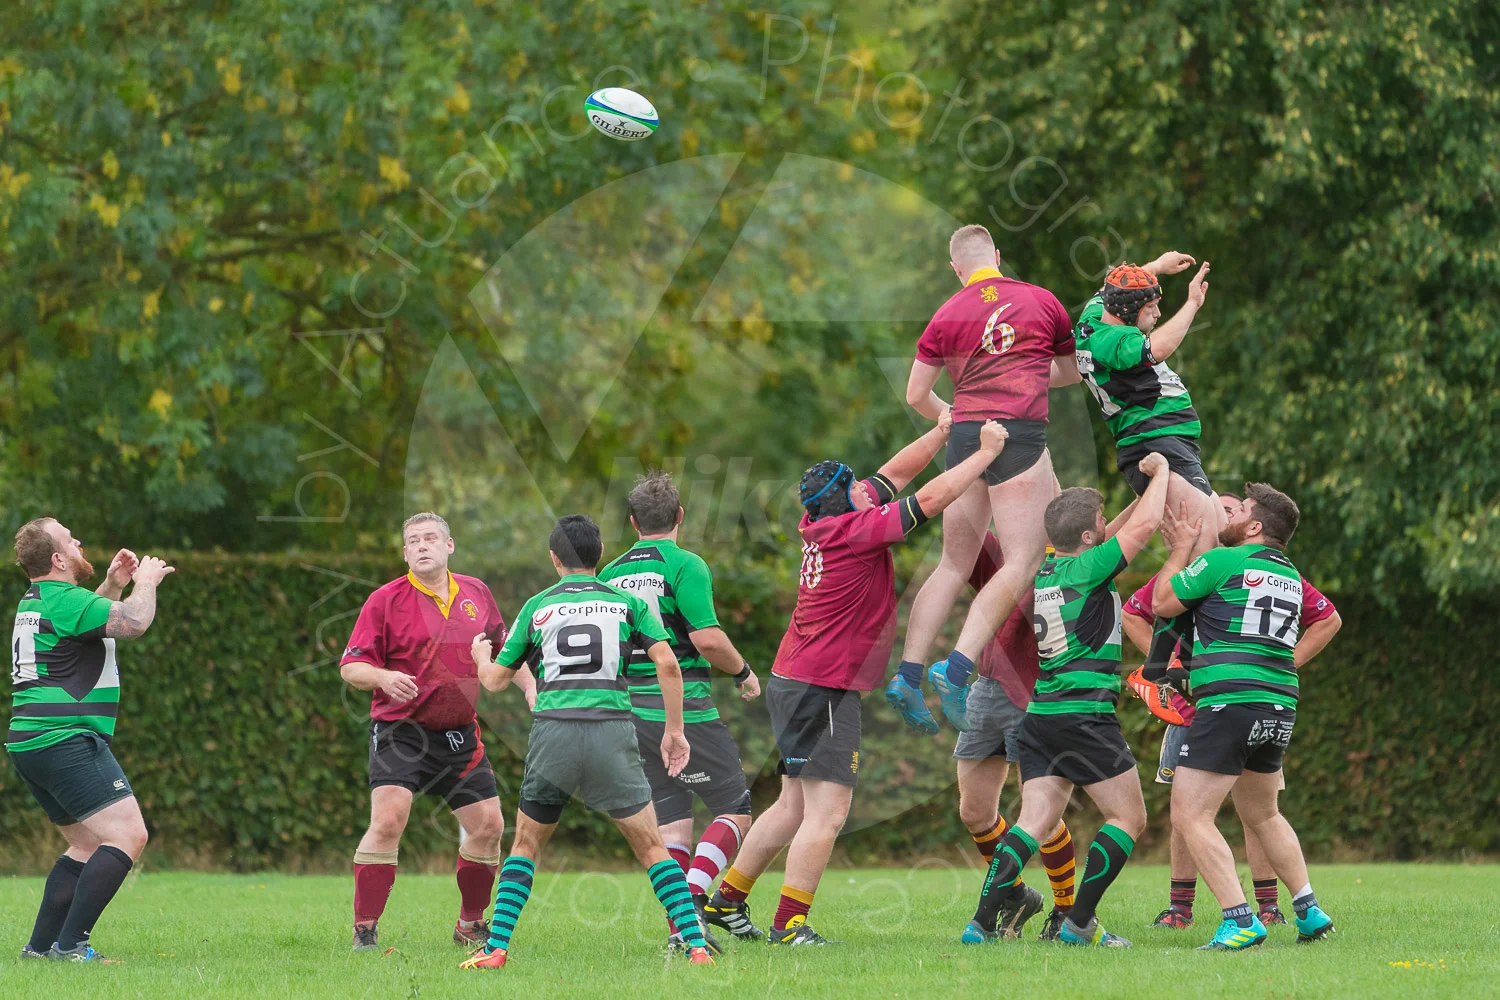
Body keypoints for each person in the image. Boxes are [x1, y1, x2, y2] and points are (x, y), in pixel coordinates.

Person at [705, 414, 1010, 946]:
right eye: (858, 487)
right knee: (828, 814)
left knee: (792, 806)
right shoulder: (858, 531)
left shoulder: (825, 518)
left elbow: (895, 474)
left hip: (793, 678)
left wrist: (941, 433)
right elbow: (929, 499)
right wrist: (984, 453)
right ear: (846, 501)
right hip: (821, 686)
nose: (870, 489)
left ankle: (726, 901)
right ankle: (789, 925)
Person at [461, 514, 714, 970]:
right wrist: (675, 731)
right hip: (610, 733)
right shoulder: (626, 602)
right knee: (652, 847)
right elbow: (668, 665)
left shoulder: (538, 606)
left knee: (526, 845)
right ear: (600, 555)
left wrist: (481, 656)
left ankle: (496, 948)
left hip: (554, 732)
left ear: (554, 558)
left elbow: (495, 681)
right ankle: (695, 947)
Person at [965, 454, 1170, 949]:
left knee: (1032, 822)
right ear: (1088, 537)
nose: (1106, 525)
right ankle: (1079, 924)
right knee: (1129, 818)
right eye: (1100, 521)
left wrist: (1139, 498)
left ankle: (981, 924)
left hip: (1041, 716)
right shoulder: (1089, 569)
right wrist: (1163, 474)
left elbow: (1114, 533)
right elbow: (1141, 530)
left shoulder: (1049, 569)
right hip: (1084, 715)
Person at [1120, 492, 1342, 929]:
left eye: (1239, 510)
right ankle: (1309, 911)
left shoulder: (1223, 560)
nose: (1230, 516)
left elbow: (1162, 603)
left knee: (1190, 814)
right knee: (1264, 814)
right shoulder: (1290, 574)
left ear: (1255, 526)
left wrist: (1180, 549)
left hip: (1229, 703)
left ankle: (1239, 921)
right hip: (1280, 702)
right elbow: (1326, 620)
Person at [890, 223, 1079, 733]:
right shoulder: (1042, 300)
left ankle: (907, 676)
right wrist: (1029, 366)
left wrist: (951, 416)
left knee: (953, 563)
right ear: (997, 254)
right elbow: (1069, 372)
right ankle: (956, 668)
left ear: (957, 269)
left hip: (964, 436)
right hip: (1017, 434)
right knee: (1023, 559)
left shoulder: (946, 313)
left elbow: (915, 395)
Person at [339, 512, 529, 952]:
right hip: (400, 731)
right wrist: (383, 677)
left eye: (430, 538)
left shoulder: (477, 593)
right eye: (413, 541)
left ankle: (470, 924)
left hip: (459, 733)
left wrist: (532, 687)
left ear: (449, 545)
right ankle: (365, 929)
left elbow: (506, 652)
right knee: (389, 820)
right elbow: (351, 666)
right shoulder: (384, 600)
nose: (422, 545)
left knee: (489, 826)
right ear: (405, 553)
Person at [598, 471, 763, 949]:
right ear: (680, 516)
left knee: (672, 822)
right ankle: (692, 902)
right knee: (735, 810)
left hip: (628, 714)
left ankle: (681, 932)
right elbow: (706, 638)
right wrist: (743, 671)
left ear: (633, 522)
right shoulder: (685, 564)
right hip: (683, 709)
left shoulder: (609, 574)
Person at [9, 517, 172, 962]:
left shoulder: (42, 599)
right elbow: (134, 623)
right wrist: (146, 581)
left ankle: (40, 949)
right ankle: (71, 947)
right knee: (128, 835)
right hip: (63, 740)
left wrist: (113, 585)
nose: (78, 542)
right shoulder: (65, 599)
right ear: (58, 559)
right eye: (70, 539)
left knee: (86, 844)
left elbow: (87, 626)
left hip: (32, 742)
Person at [1073, 253, 1217, 691]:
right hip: (1152, 443)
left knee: (1215, 531)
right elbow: (1160, 347)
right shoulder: (1114, 342)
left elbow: (1112, 288)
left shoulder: (1096, 313)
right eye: (1152, 308)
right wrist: (1191, 303)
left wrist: (1155, 266)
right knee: (1201, 540)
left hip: (1171, 441)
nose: (1156, 314)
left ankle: (1173, 661)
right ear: (1128, 313)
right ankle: (1171, 665)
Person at [950, 531, 1078, 941]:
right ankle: (1017, 895)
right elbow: (962, 530)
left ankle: (1067, 913)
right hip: (987, 689)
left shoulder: (1075, 549)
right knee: (974, 811)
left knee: (1042, 814)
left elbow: (1115, 537)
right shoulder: (1002, 545)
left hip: (1040, 691)